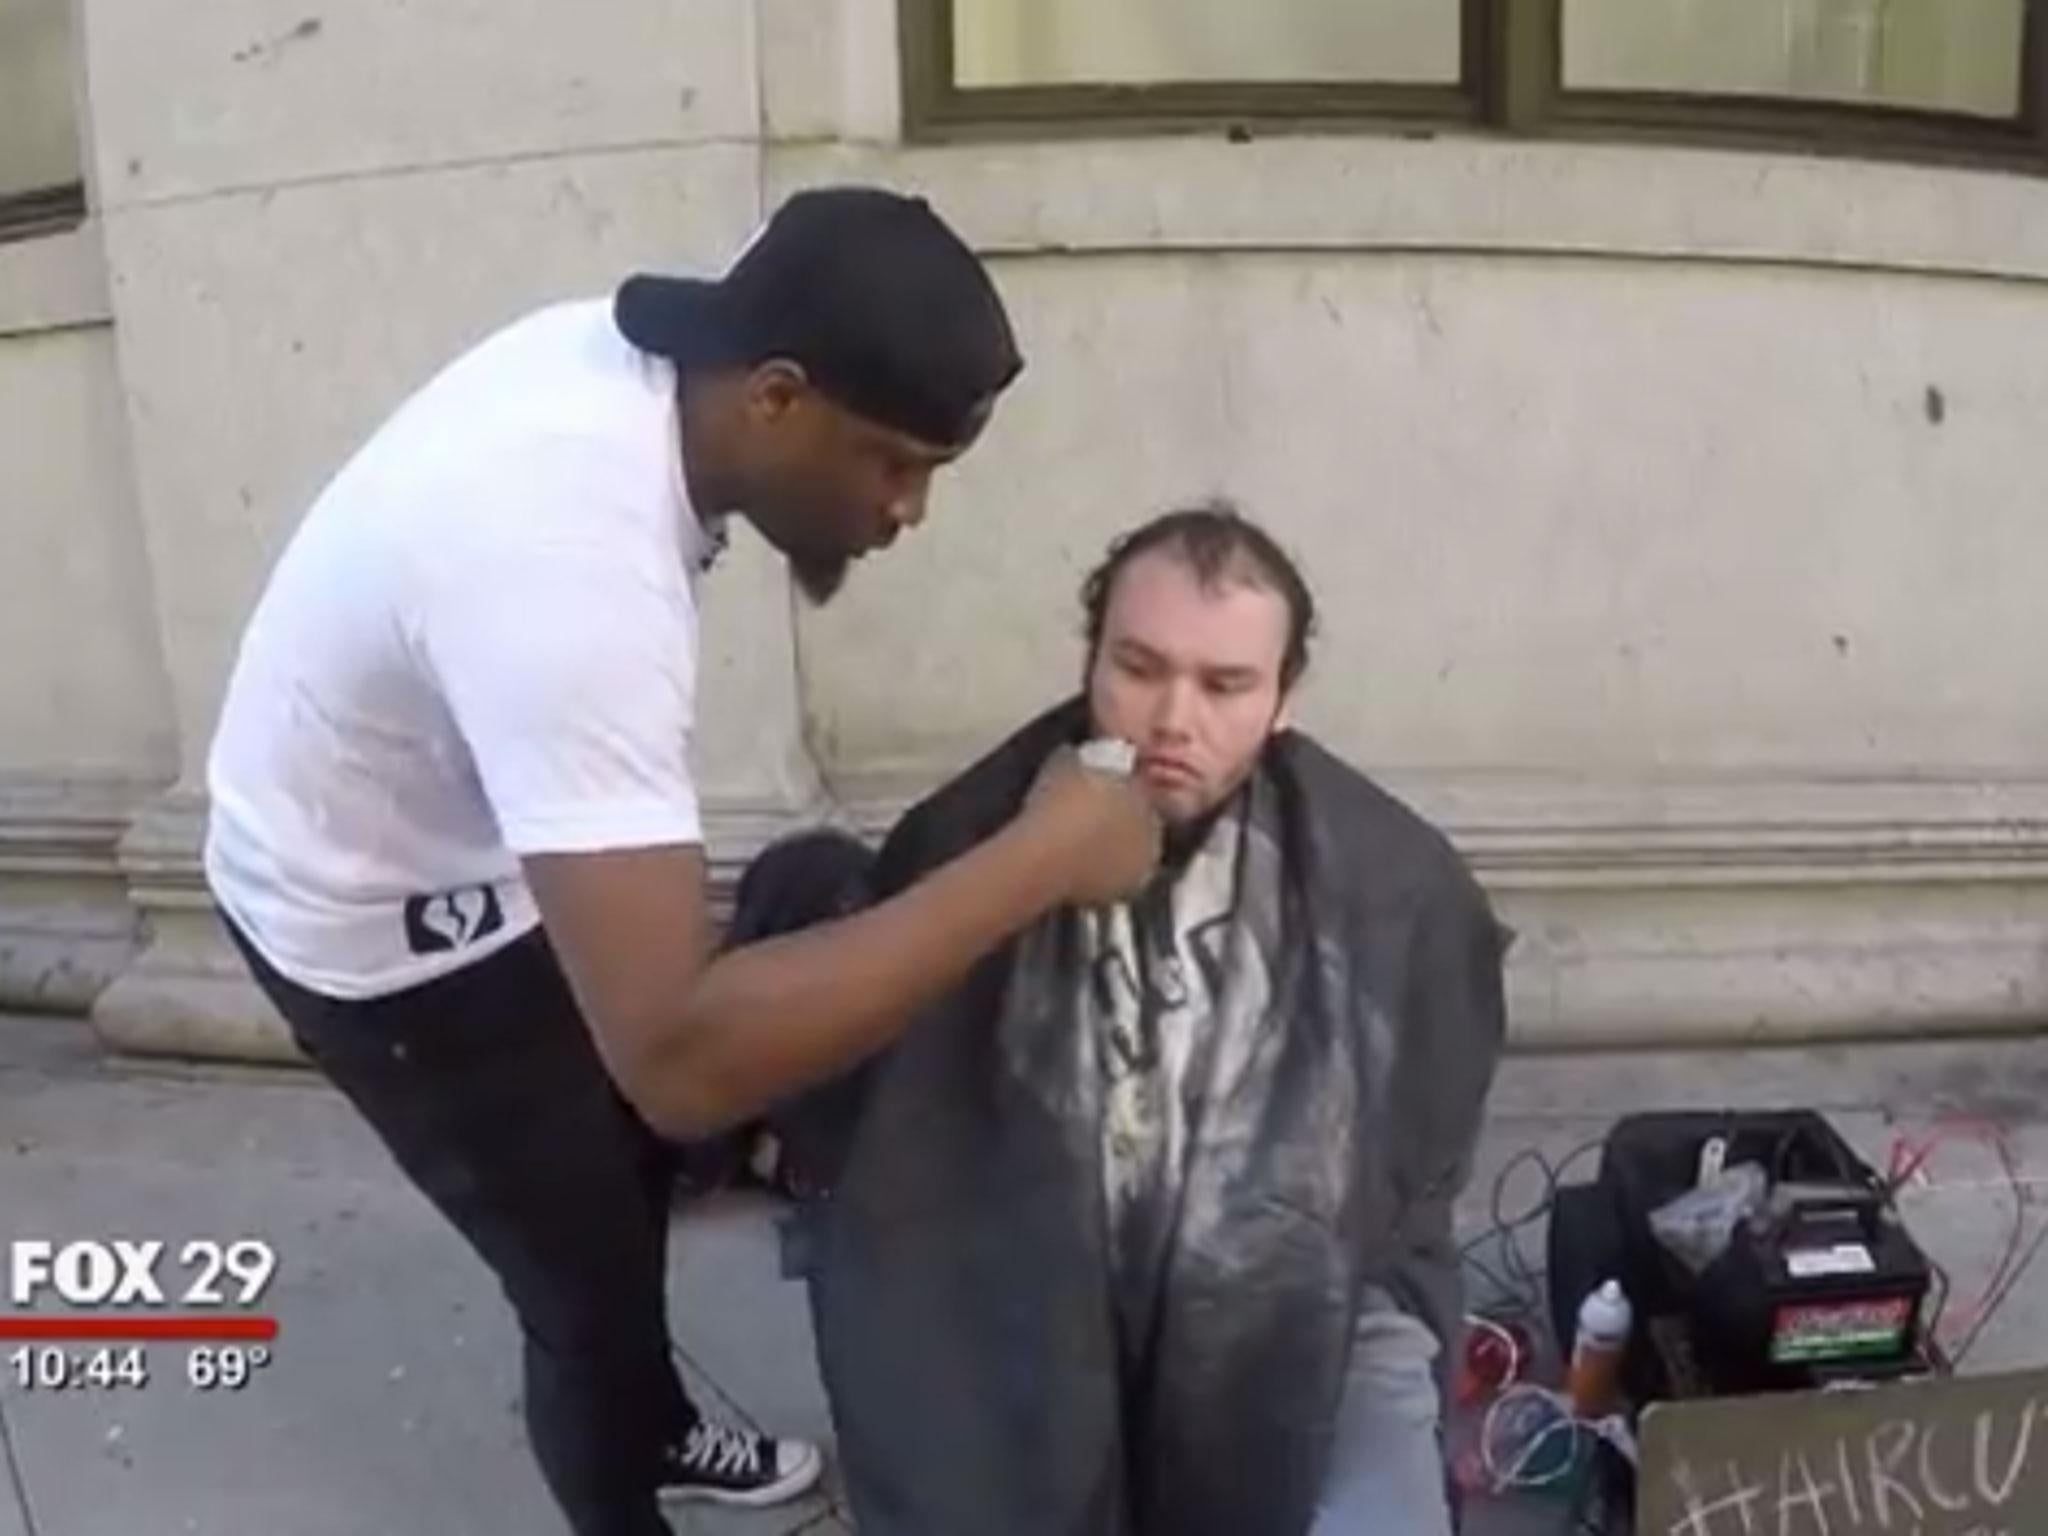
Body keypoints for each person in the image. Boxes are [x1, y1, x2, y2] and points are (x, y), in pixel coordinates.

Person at [203, 186, 1162, 1536]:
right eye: (894, 462)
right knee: (583, 1285)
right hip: (373, 928)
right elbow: (679, 1061)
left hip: (476, 839)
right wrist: (1044, 857)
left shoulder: (650, 382)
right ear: (775, 396)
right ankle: (623, 1466)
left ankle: (657, 1418)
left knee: (631, 1175)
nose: (909, 511)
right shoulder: (566, 568)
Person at [740, 504, 1508, 1536]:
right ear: (1089, 658)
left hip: (1305, 1304)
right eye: (1138, 668)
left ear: (1284, 698)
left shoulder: (1390, 882)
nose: (1171, 718)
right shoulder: (965, 841)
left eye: (1224, 684)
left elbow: (1417, 1153)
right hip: (1007, 1294)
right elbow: (873, 1134)